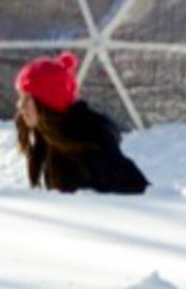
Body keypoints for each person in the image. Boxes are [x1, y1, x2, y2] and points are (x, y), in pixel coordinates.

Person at [14, 52, 149, 196]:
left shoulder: (90, 144)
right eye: (21, 97)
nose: (20, 105)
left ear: (48, 103)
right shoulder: (47, 141)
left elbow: (137, 194)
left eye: (28, 98)